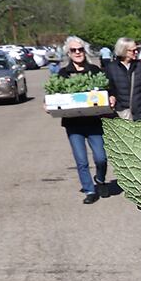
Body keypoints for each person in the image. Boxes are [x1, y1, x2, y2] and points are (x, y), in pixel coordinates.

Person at [55, 36, 112, 204]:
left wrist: (111, 97)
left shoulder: (95, 71)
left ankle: (100, 180)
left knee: (101, 158)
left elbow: (107, 89)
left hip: (94, 122)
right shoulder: (63, 74)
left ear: (84, 51)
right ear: (69, 53)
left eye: (80, 49)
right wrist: (48, 103)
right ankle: (89, 190)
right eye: (74, 50)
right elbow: (54, 94)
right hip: (73, 124)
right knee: (81, 160)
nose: (78, 53)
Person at [105, 37, 141, 124]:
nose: (136, 52)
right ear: (123, 51)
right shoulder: (111, 68)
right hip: (122, 115)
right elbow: (108, 89)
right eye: (133, 50)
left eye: (136, 49)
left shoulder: (140, 66)